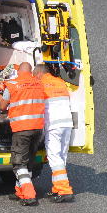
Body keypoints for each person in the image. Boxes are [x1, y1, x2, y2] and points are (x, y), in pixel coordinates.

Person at [0, 62, 46, 206]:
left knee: (18, 163)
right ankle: (20, 191)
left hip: (22, 129)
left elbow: (2, 107)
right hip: (38, 128)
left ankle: (29, 194)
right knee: (28, 161)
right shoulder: (39, 83)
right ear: (31, 71)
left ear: (18, 72)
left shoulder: (12, 84)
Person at [33, 64, 74, 203]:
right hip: (67, 123)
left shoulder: (40, 84)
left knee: (54, 157)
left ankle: (64, 190)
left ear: (38, 74)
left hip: (54, 125)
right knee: (62, 155)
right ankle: (58, 187)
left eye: (34, 75)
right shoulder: (60, 82)